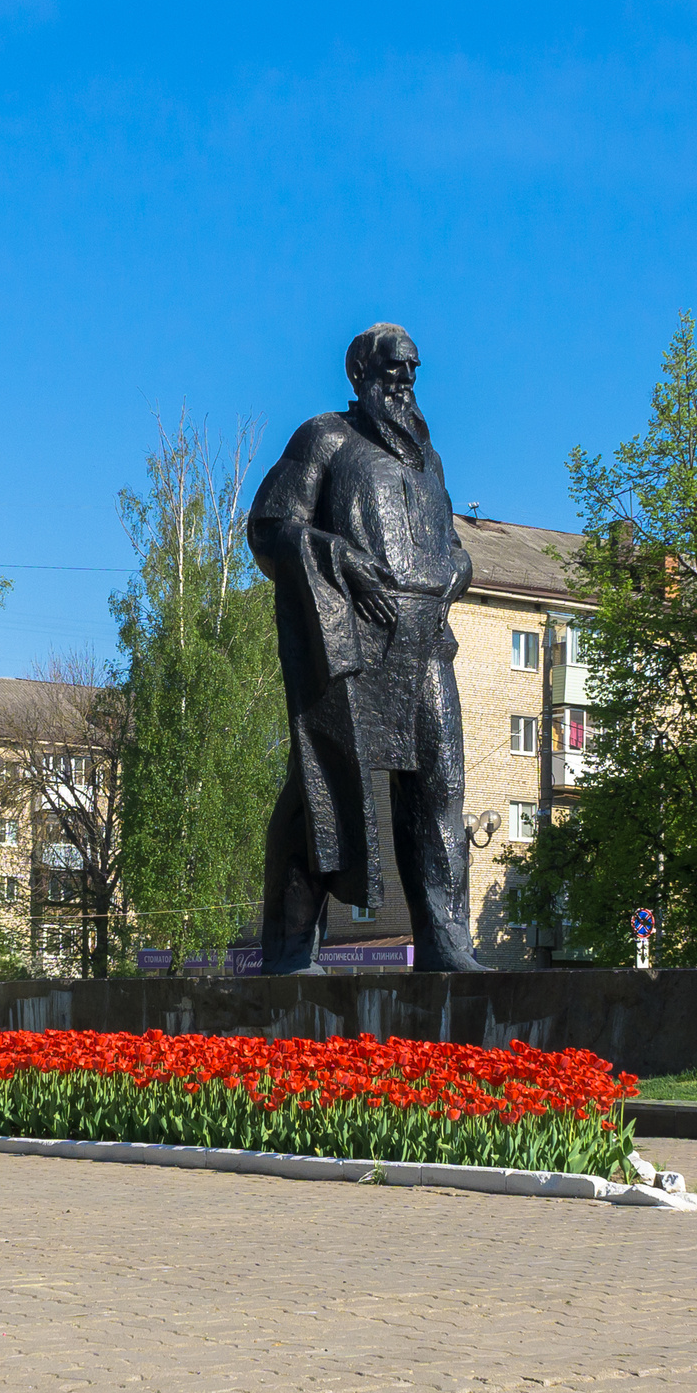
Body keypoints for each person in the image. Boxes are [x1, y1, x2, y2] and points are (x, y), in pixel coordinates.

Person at [247, 323, 485, 974]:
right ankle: (293, 950)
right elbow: (270, 528)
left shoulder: (428, 460)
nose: (405, 378)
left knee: (441, 787)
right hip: (347, 637)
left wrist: (453, 576)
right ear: (360, 371)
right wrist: (337, 556)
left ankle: (445, 940)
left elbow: (451, 547)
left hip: (426, 642)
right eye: (392, 367)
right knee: (324, 791)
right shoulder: (324, 437)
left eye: (412, 367)